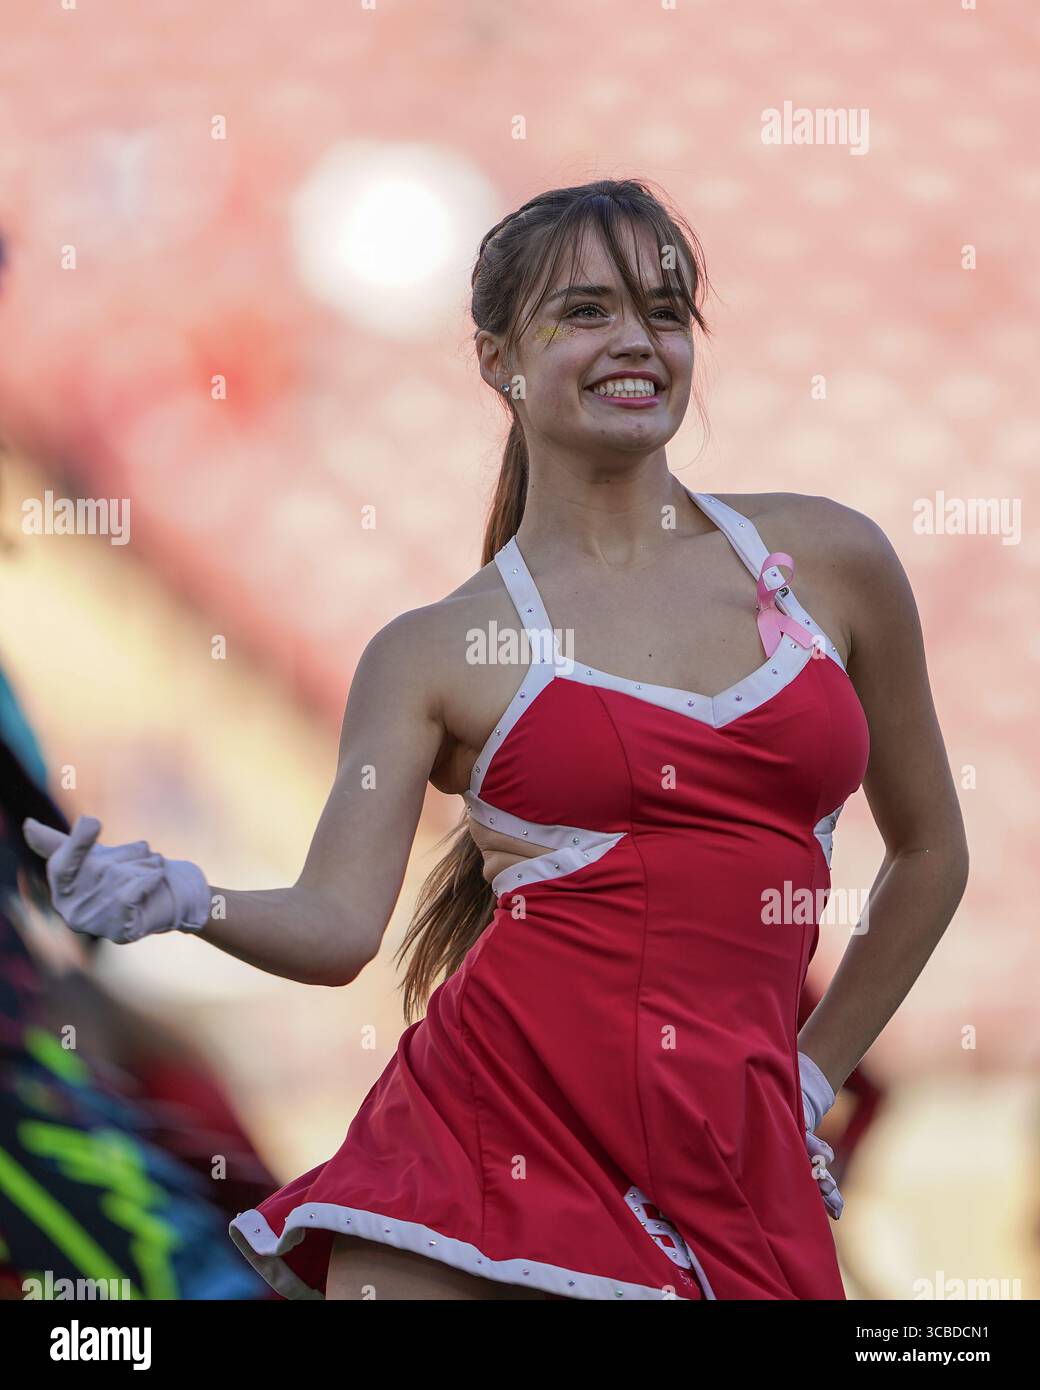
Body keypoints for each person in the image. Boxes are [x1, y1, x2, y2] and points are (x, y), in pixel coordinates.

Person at [23, 178, 970, 1300]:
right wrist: (183, 898)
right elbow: (337, 926)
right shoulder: (432, 650)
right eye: (583, 312)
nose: (636, 342)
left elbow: (929, 854)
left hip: (734, 1159)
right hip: (481, 1152)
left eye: (664, 312)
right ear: (495, 359)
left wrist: (809, 1079)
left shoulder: (831, 560)